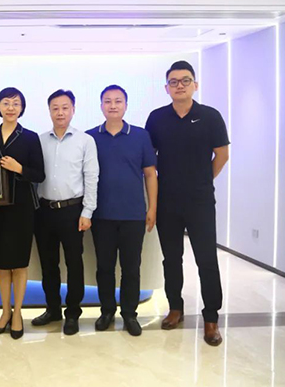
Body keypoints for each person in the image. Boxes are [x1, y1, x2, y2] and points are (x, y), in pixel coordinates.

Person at [145, 60, 230, 346]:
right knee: (172, 259)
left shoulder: (210, 116)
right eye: (174, 82)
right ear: (166, 87)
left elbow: (222, 155)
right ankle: (175, 309)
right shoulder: (157, 118)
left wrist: (203, 180)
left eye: (185, 80)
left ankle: (211, 318)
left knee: (207, 259)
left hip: (200, 201)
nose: (179, 85)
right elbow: (149, 161)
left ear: (195, 84)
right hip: (168, 201)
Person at [87, 85, 157, 336]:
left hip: (133, 214)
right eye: (108, 101)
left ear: (126, 105)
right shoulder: (90, 137)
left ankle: (129, 314)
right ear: (101, 106)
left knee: (131, 268)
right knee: (104, 268)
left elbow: (150, 174)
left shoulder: (140, 136)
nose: (113, 105)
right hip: (101, 215)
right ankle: (107, 311)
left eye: (118, 101)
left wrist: (152, 208)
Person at [32, 89, 99, 335]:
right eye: (55, 108)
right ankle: (52, 309)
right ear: (49, 111)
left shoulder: (85, 141)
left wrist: (87, 211)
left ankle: (72, 313)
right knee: (48, 264)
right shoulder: (39, 141)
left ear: (73, 110)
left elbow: (91, 177)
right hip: (44, 211)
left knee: (74, 263)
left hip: (72, 211)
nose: (60, 112)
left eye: (64, 107)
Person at [0, 87, 45, 339]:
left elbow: (39, 174)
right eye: (6, 103)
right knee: (1, 263)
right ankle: (5, 311)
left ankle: (17, 312)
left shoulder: (30, 137)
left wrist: (19, 168)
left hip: (22, 208)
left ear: (22, 108)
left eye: (16, 103)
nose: (10, 107)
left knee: (18, 263)